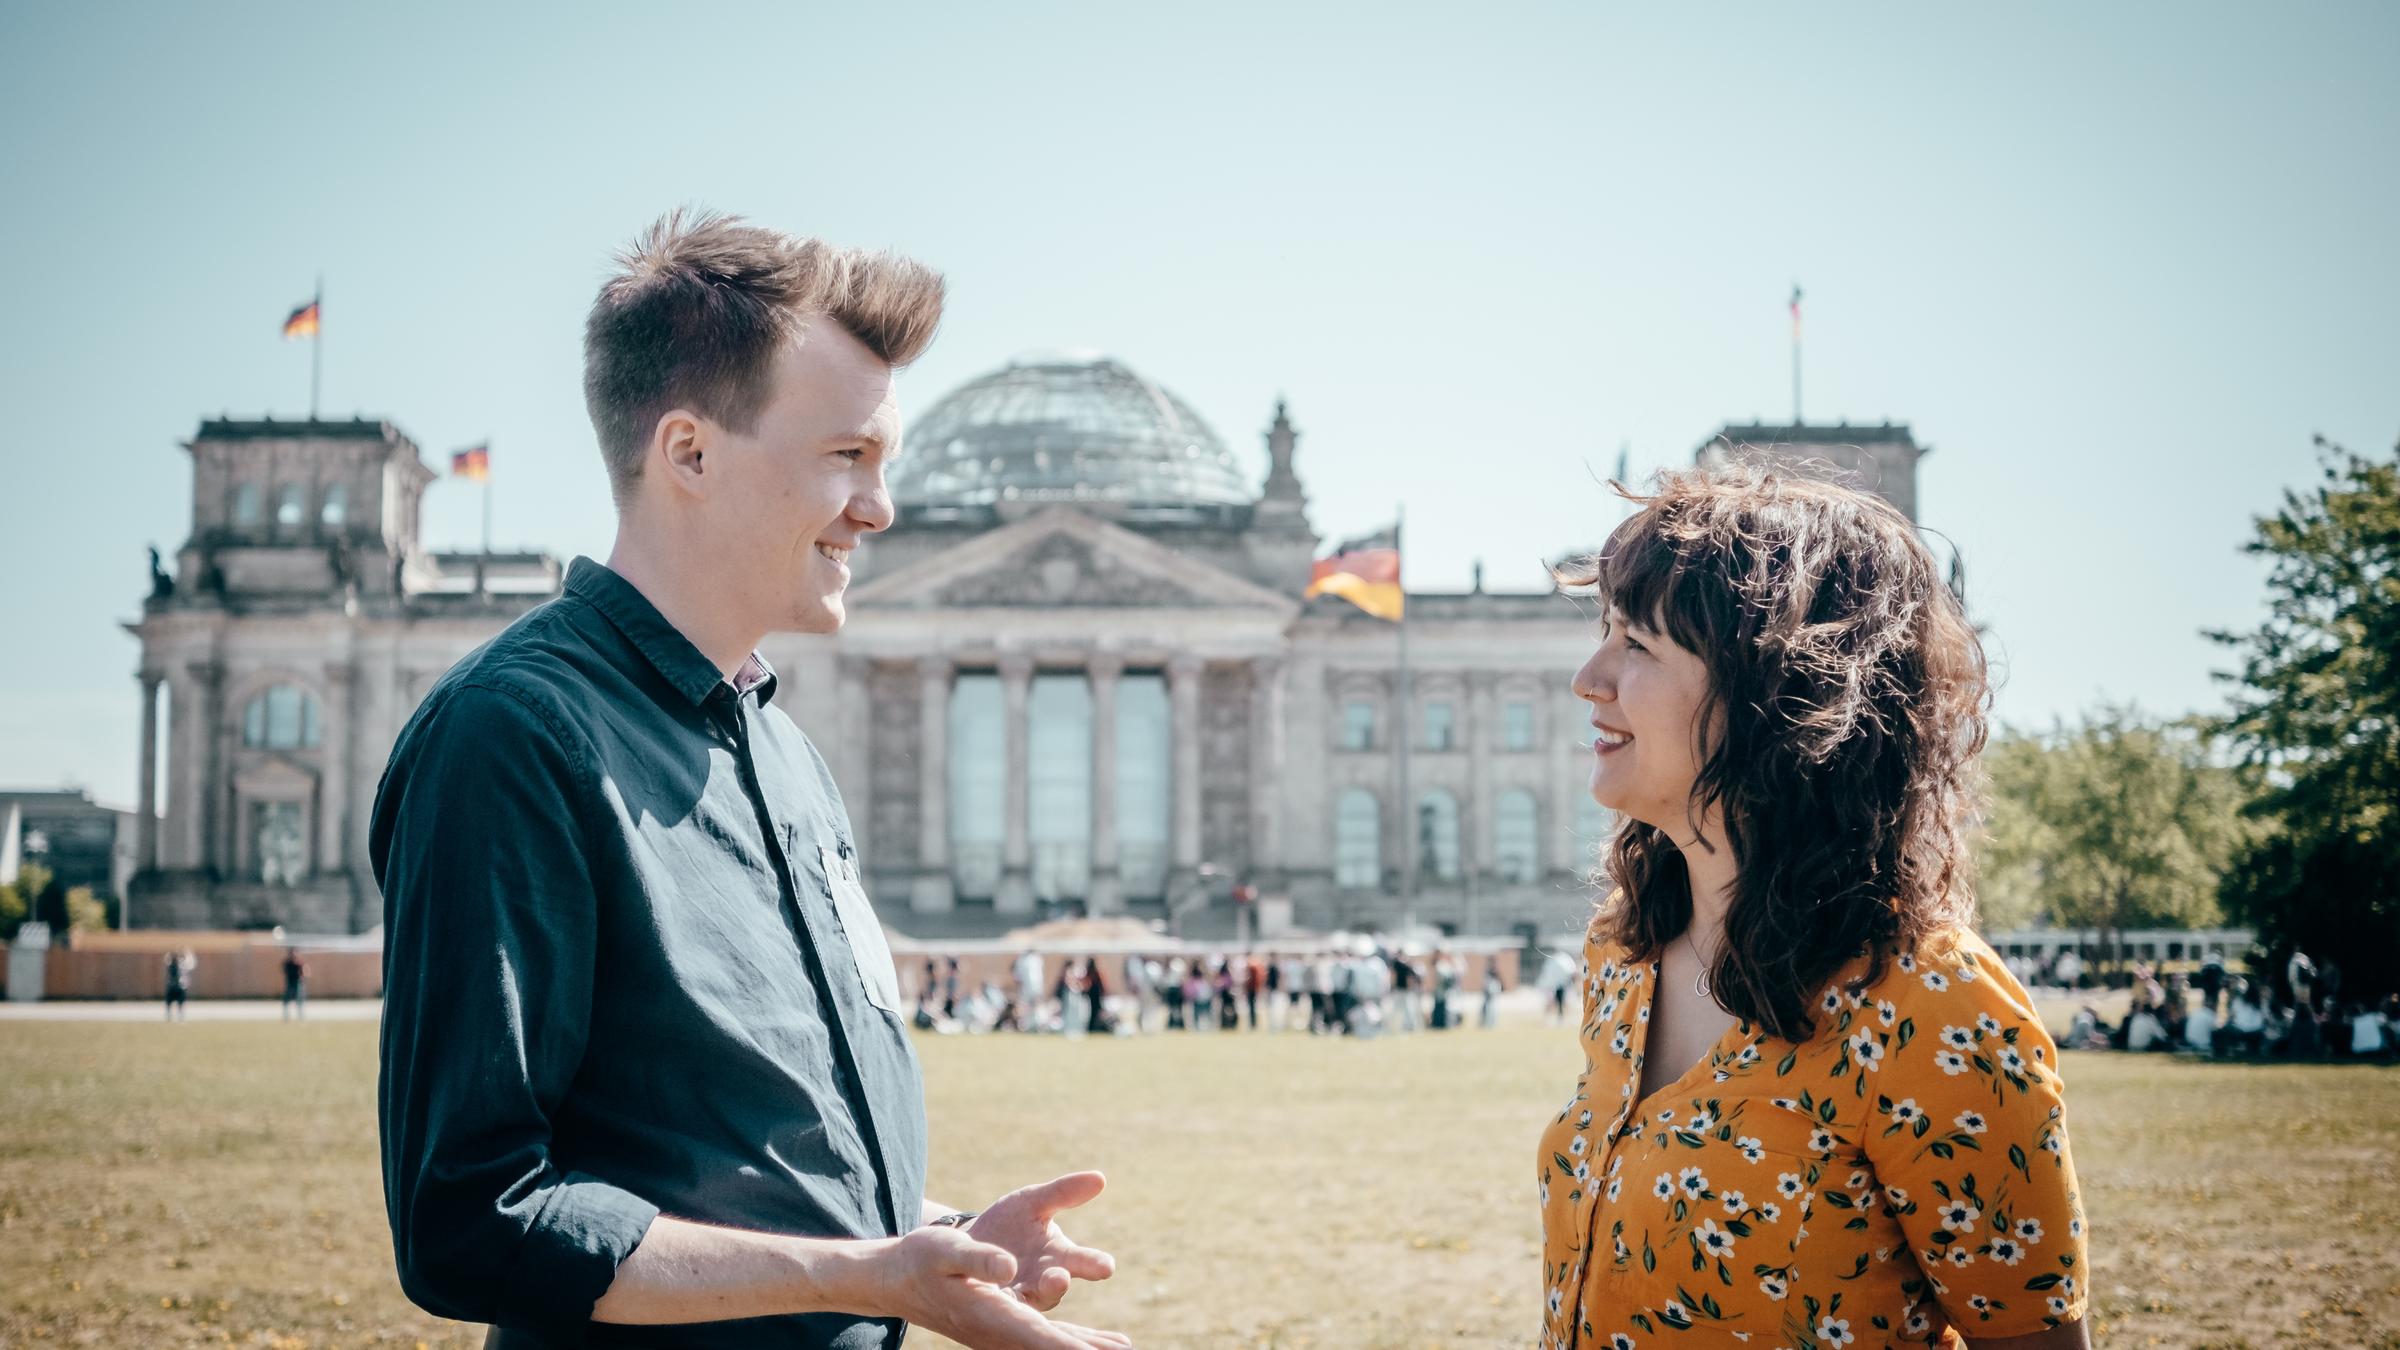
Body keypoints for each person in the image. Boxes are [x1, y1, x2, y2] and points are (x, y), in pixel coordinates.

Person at [372, 212, 1122, 1350]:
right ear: (689, 454)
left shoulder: (783, 751)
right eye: (846, 457)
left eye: (886, 463)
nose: (882, 509)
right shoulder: (513, 736)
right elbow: (474, 1218)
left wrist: (944, 1240)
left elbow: (732, 1152)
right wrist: (868, 1276)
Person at [1535, 466, 2090, 1348]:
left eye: (1637, 644)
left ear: (1772, 696)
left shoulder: (1933, 1008)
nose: (1587, 678)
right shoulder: (1624, 956)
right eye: (1605, 632)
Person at [163, 949, 191, 1023]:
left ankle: (180, 1017)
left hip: (179, 987)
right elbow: (166, 959)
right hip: (172, 987)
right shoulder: (170, 966)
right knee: (169, 1003)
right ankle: (169, 1017)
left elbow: (190, 962)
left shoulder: (182, 965)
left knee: (180, 1004)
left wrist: (186, 952)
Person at [280, 949, 307, 1021]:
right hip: (290, 984)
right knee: (286, 1001)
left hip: (298, 984)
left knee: (300, 1002)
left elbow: (305, 973)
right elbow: (285, 971)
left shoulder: (300, 963)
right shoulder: (287, 963)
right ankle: (286, 1017)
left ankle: (301, 1017)